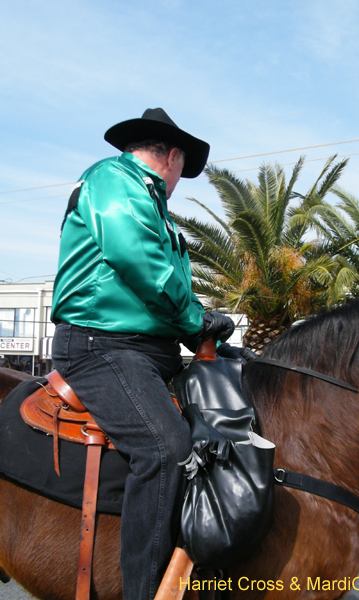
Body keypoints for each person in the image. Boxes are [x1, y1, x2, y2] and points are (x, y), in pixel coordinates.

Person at [50, 108, 234, 600]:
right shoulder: (112, 178)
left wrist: (198, 324)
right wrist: (196, 321)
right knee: (166, 449)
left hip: (148, 349)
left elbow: (164, 287)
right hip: (101, 344)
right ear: (172, 156)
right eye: (181, 170)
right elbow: (139, 261)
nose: (178, 181)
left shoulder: (151, 201)